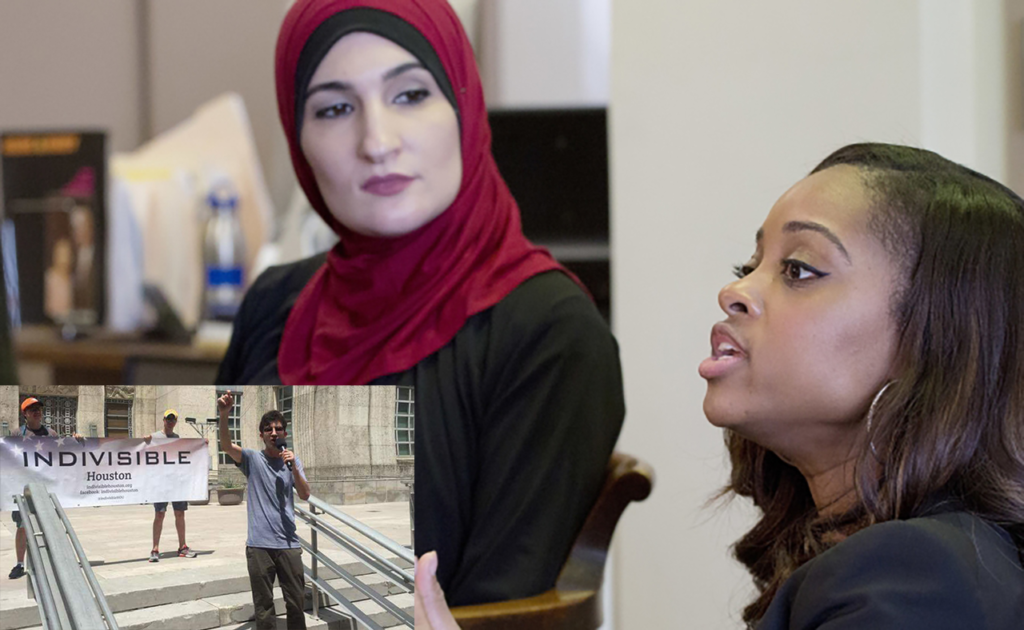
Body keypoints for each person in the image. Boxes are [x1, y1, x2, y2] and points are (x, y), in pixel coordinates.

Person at [414, 143, 1024, 629]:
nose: (734, 292)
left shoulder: (922, 576)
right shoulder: (904, 559)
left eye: (798, 270)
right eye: (749, 266)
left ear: (931, 343)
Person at [216, 0, 624, 606]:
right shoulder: (276, 302)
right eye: (334, 108)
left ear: (464, 106)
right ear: (299, 143)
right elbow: (221, 536)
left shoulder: (548, 333)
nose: (376, 142)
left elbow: (501, 615)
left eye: (409, 95)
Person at [217, 392, 311, 630]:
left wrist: (294, 468)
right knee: (264, 606)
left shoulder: (293, 461)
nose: (273, 433)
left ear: (285, 434)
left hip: (288, 544)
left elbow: (305, 494)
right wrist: (224, 415)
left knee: (296, 603)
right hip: (259, 545)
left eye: (278, 429)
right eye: (268, 429)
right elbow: (226, 445)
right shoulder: (252, 459)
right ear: (261, 435)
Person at [8, 397, 58, 580]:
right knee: (22, 526)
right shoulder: (17, 434)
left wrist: (77, 441)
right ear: (25, 414)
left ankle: (48, 562)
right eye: (31, 409)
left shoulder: (51, 434)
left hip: (45, 488)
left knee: (47, 525)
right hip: (23, 488)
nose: (36, 411)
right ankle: (20, 564)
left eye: (38, 408)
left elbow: (63, 456)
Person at [143, 409, 199, 562]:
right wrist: (144, 441)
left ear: (175, 422)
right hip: (160, 483)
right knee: (159, 514)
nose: (170, 421)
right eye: (168, 418)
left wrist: (202, 445)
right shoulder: (154, 437)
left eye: (173, 419)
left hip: (176, 482)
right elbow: (140, 450)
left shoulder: (177, 438)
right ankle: (155, 548)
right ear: (164, 420)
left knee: (180, 513)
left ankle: (182, 546)